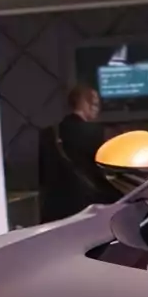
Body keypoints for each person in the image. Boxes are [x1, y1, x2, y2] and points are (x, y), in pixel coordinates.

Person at [36, 83, 114, 222]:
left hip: (53, 210)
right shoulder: (96, 133)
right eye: (95, 104)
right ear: (84, 103)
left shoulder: (49, 133)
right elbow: (105, 173)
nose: (97, 109)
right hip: (86, 208)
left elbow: (42, 175)